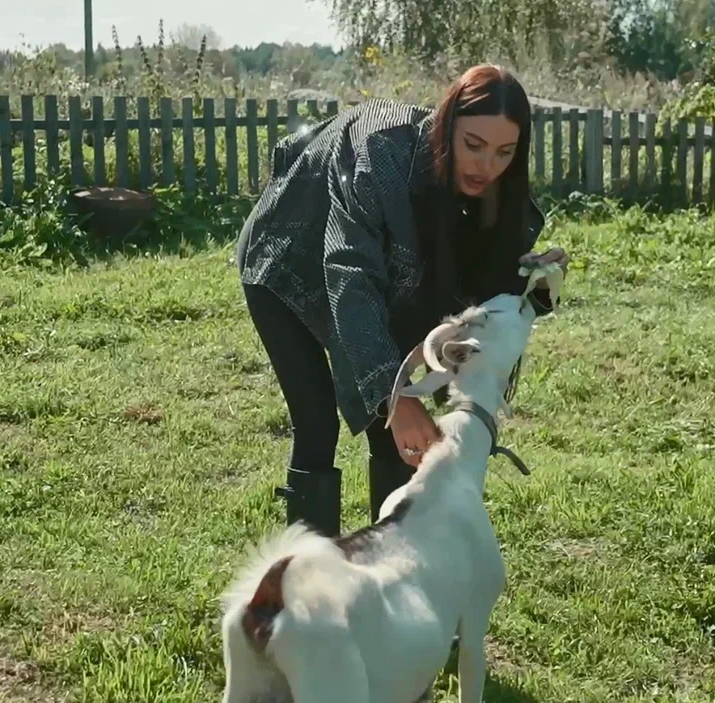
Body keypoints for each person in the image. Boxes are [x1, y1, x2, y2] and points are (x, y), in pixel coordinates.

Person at [234, 63, 570, 538]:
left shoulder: (491, 186)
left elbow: (473, 282)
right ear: (447, 125)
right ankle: (307, 587)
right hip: (287, 254)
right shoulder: (379, 156)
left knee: (398, 437)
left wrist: (533, 281)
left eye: (504, 152)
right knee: (317, 423)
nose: (486, 166)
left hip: (363, 273)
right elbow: (350, 278)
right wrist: (394, 397)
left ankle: (390, 575)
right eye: (473, 145)